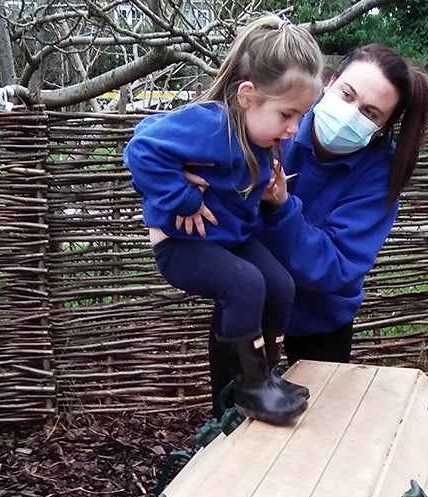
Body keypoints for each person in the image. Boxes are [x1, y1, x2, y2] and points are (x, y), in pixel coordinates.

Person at [208, 43, 428, 414]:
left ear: (382, 128)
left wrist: (281, 207)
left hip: (320, 323)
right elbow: (205, 146)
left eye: (370, 113)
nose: (350, 114)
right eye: (347, 94)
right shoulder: (280, 120)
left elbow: (337, 267)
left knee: (316, 435)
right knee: (230, 420)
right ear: (329, 81)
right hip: (248, 307)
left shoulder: (380, 176)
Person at [124, 16, 323, 424]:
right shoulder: (212, 124)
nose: (294, 129)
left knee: (282, 286)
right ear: (248, 95)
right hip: (182, 246)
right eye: (287, 115)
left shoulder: (258, 137)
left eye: (300, 117)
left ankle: (266, 374)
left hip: (227, 240)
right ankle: (250, 387)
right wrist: (180, 198)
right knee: (246, 284)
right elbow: (141, 146)